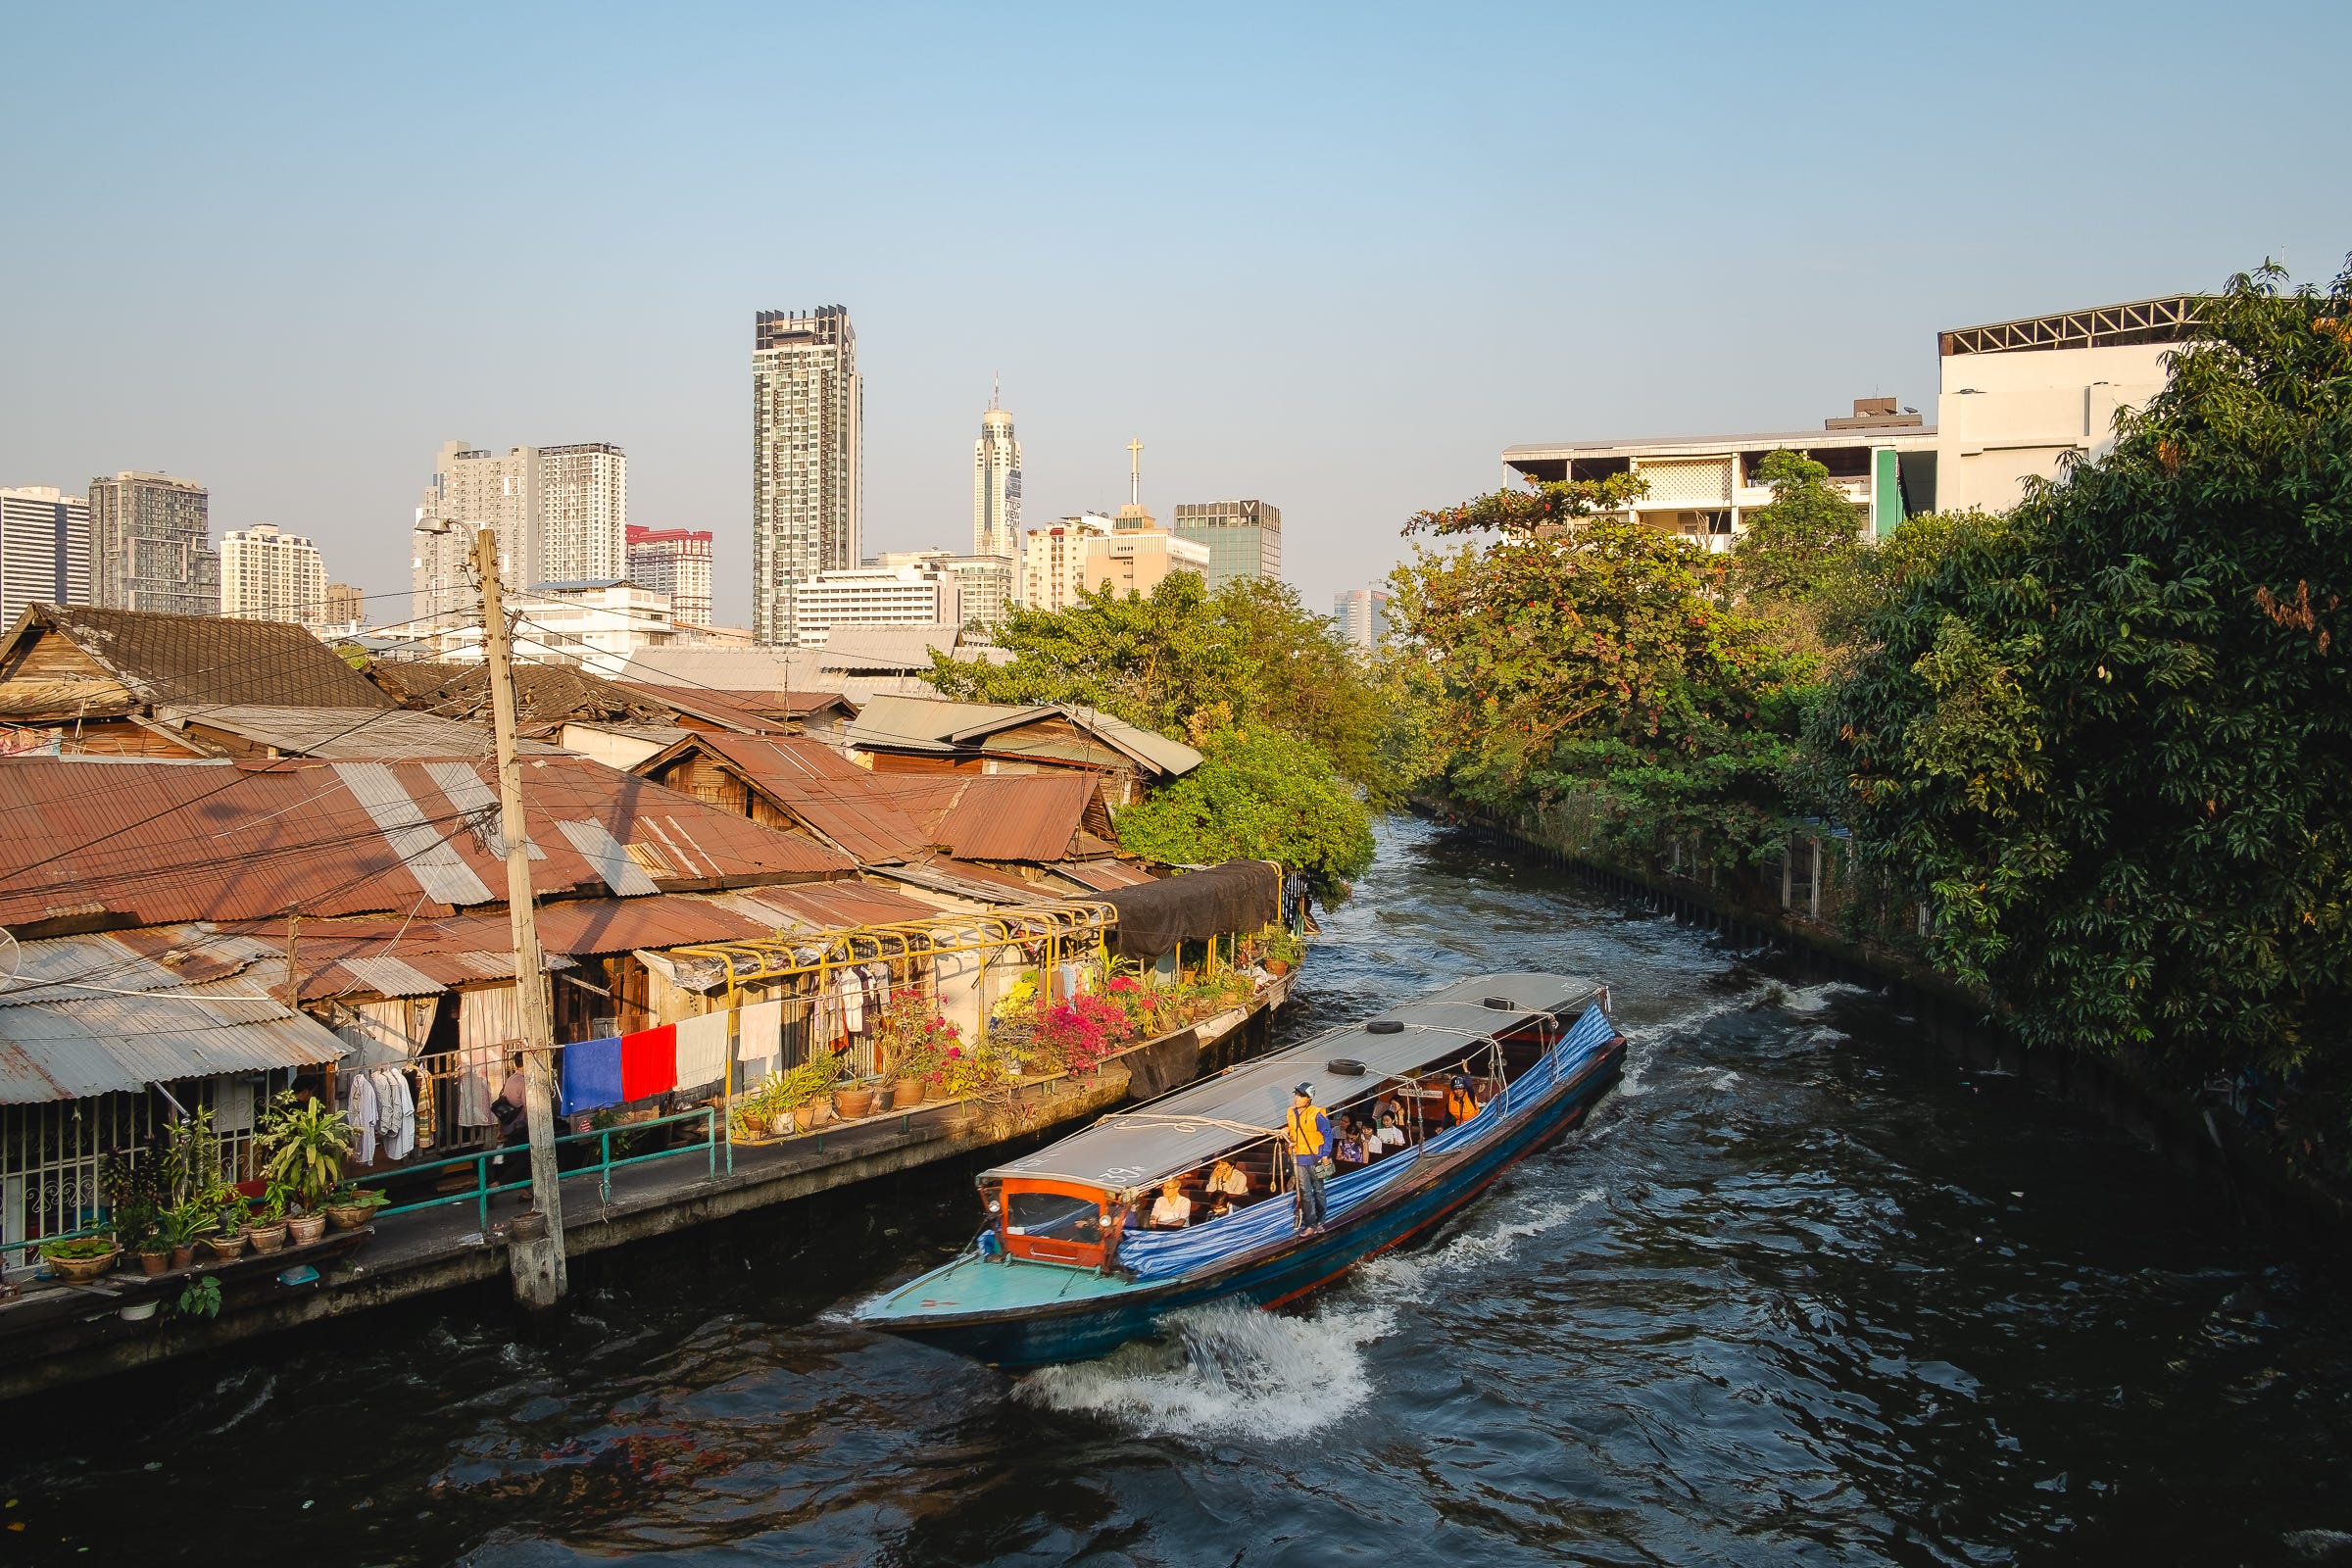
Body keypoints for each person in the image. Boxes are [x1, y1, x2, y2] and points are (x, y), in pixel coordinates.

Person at [1286, 1083, 1334, 1234]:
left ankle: (1320, 1221)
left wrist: (1325, 1154)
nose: (1296, 1098)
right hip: (1299, 1157)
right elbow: (1295, 1129)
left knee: (1318, 1190)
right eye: (1296, 1095)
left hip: (1315, 1157)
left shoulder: (1317, 1114)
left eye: (1300, 1096)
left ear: (1308, 1099)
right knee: (1305, 1192)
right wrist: (1285, 1130)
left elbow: (1327, 1133)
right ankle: (1310, 1224)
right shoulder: (1291, 1113)